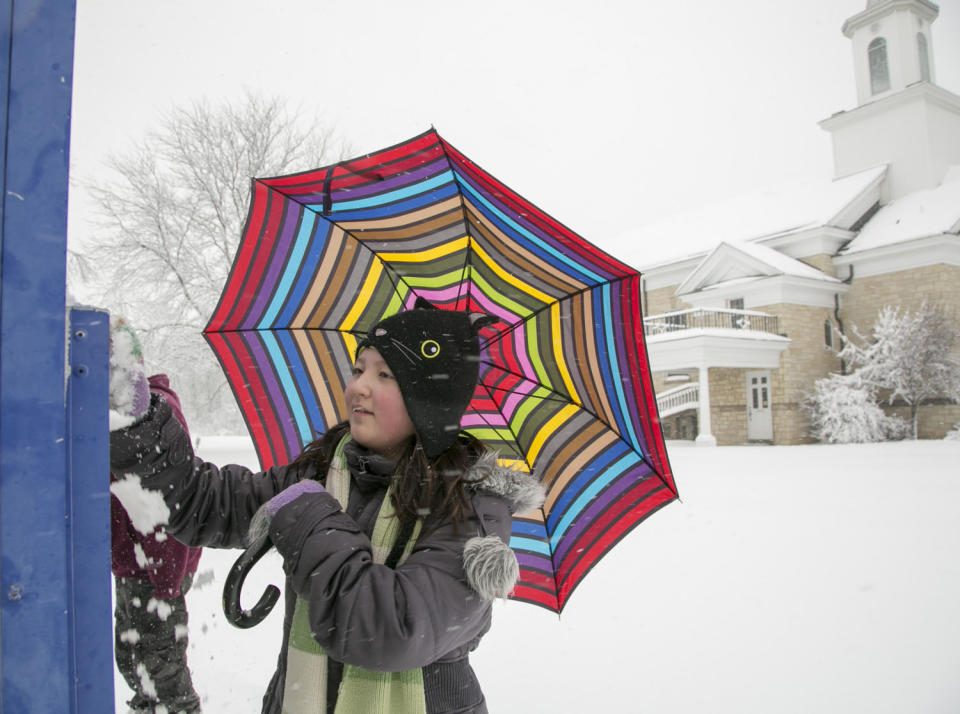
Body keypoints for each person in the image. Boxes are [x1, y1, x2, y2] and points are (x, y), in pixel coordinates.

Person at [108, 302, 545, 714]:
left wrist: (311, 516)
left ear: (429, 401)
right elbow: (200, 502)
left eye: (385, 374)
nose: (357, 385)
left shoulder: (471, 511)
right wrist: (137, 418)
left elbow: (390, 630)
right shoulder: (322, 473)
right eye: (358, 369)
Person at [108, 325, 203, 714]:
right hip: (133, 565)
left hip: (158, 567)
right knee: (133, 660)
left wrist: (166, 583)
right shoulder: (114, 417)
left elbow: (168, 505)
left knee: (164, 673)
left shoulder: (151, 417)